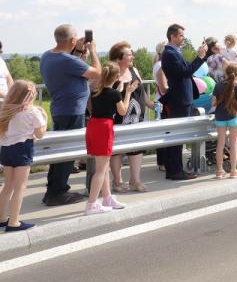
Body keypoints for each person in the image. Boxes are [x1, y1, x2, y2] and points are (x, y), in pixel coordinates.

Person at [40, 24, 102, 205]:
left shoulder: (47, 56)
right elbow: (97, 73)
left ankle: (53, 190)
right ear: (73, 40)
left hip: (61, 109)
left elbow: (71, 71)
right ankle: (58, 193)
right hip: (72, 111)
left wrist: (79, 53)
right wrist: (93, 50)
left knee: (59, 152)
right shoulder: (66, 60)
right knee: (67, 153)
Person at [85, 64, 136, 215]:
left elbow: (107, 97)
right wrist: (127, 93)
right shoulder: (114, 94)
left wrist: (117, 91)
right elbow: (123, 111)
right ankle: (91, 204)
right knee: (100, 170)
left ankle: (107, 198)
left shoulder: (96, 92)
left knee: (103, 166)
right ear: (116, 77)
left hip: (93, 126)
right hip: (104, 128)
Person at [159, 23, 208, 180]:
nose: (183, 38)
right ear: (172, 36)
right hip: (179, 100)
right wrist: (199, 57)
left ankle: (174, 169)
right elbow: (185, 72)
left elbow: (188, 69)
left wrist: (203, 56)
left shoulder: (174, 52)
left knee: (178, 136)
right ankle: (175, 171)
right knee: (177, 136)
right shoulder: (169, 53)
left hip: (182, 99)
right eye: (181, 35)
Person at [0, 81, 47, 232]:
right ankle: (14, 222)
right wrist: (45, 117)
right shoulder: (33, 112)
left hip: (6, 150)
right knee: (20, 187)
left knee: (8, 185)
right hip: (23, 149)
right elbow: (40, 134)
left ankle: (1, 219)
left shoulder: (6, 111)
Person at [109, 41, 153, 193]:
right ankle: (117, 181)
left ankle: (135, 180)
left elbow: (142, 93)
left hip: (136, 118)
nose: (132, 56)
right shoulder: (112, 74)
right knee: (117, 150)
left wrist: (151, 105)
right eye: (129, 54)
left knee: (136, 149)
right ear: (118, 58)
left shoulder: (134, 70)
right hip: (118, 118)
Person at [211, 63, 237, 179]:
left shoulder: (218, 85)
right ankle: (233, 170)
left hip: (220, 117)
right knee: (233, 144)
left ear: (225, 74)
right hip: (234, 116)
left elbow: (213, 104)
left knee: (220, 143)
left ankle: (219, 171)